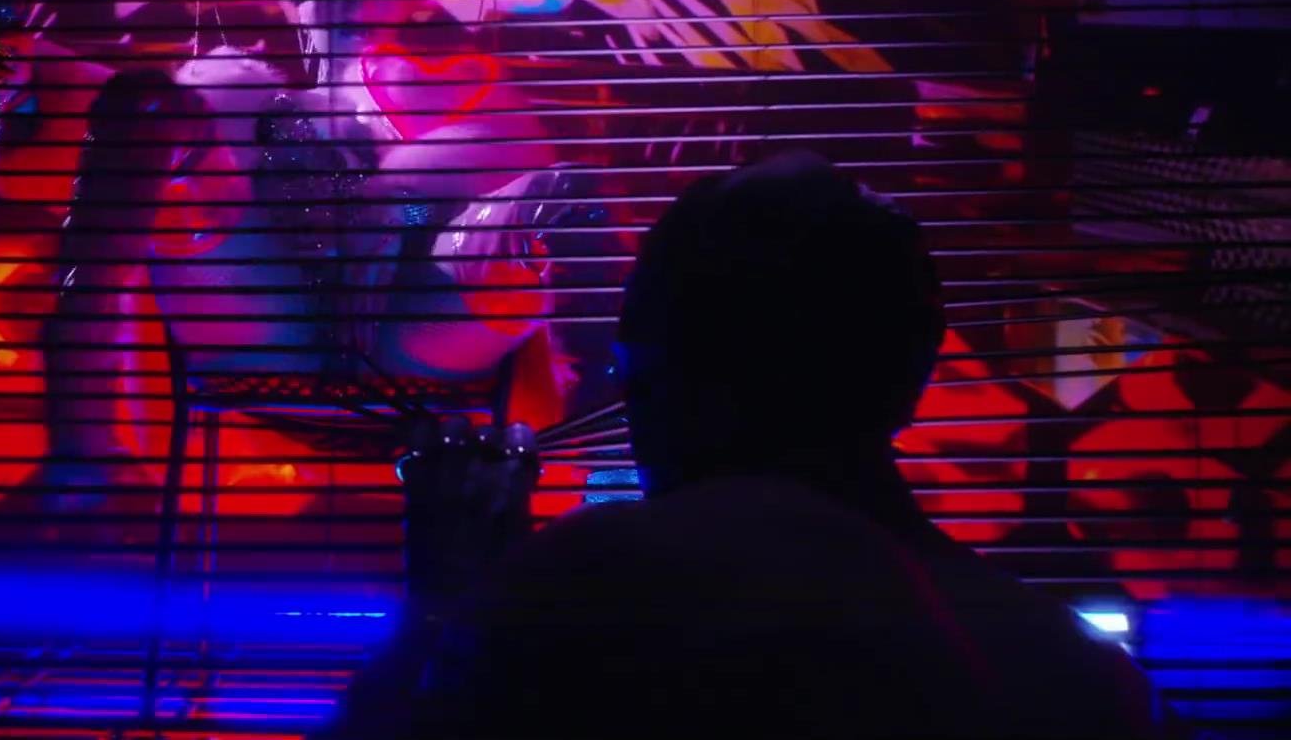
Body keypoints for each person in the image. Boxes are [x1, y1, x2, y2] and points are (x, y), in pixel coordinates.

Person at [320, 151, 1182, 739]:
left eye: (627, 343)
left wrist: (443, 607)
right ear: (912, 367)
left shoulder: (588, 596)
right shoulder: (1071, 675)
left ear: (655, 362)